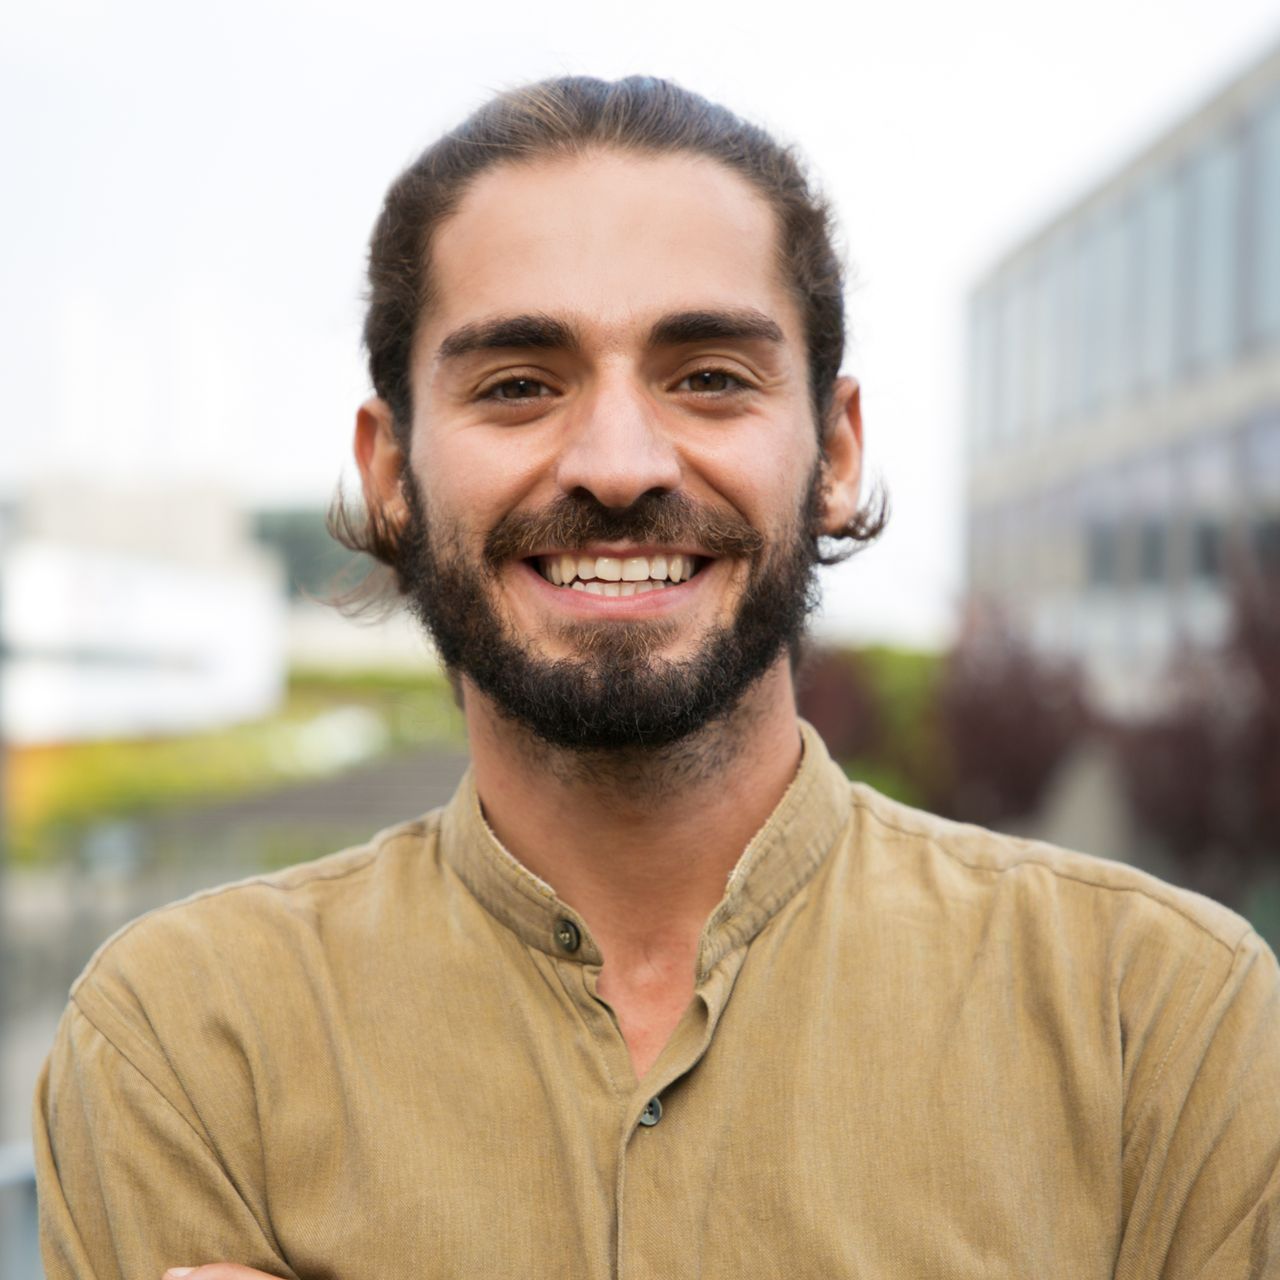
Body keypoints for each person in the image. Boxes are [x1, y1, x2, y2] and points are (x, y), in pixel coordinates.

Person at [34, 76, 1280, 1279]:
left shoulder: (1161, 1020)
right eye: (517, 385)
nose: (619, 462)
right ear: (391, 475)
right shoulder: (184, 1041)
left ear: (834, 452)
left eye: (708, 378)